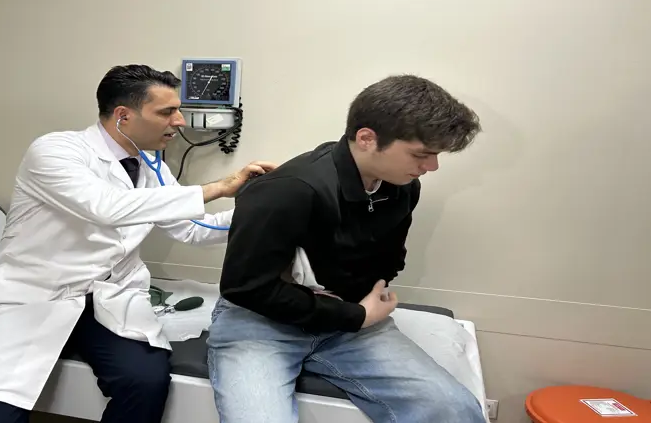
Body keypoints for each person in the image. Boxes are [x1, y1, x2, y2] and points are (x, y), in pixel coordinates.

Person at [0, 64, 276, 423]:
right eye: (167, 112)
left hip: (108, 298)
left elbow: (193, 229)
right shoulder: (56, 151)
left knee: (146, 382)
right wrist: (219, 187)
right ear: (124, 116)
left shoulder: (151, 166)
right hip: (35, 296)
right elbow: (107, 208)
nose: (180, 121)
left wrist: (267, 212)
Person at [207, 74, 486, 423]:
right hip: (262, 324)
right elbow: (245, 287)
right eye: (421, 154)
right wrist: (355, 316)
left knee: (454, 410)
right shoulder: (288, 190)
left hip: (348, 323)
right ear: (367, 138)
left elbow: (390, 257)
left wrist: (361, 306)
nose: (431, 167)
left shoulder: (402, 186)